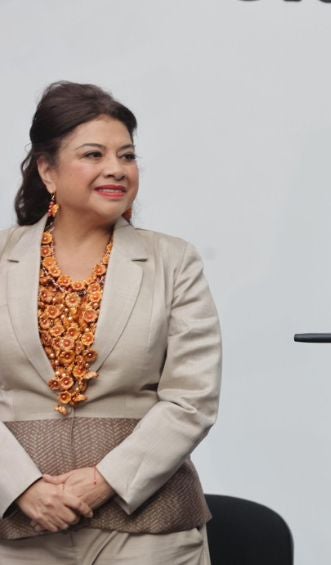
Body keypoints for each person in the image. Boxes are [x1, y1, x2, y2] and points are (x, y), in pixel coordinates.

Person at [0, 82, 221, 564]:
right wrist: (22, 486)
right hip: (17, 525)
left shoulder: (173, 261)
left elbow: (192, 397)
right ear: (47, 170)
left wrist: (106, 480)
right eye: (94, 154)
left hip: (149, 526)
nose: (116, 170)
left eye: (127, 155)